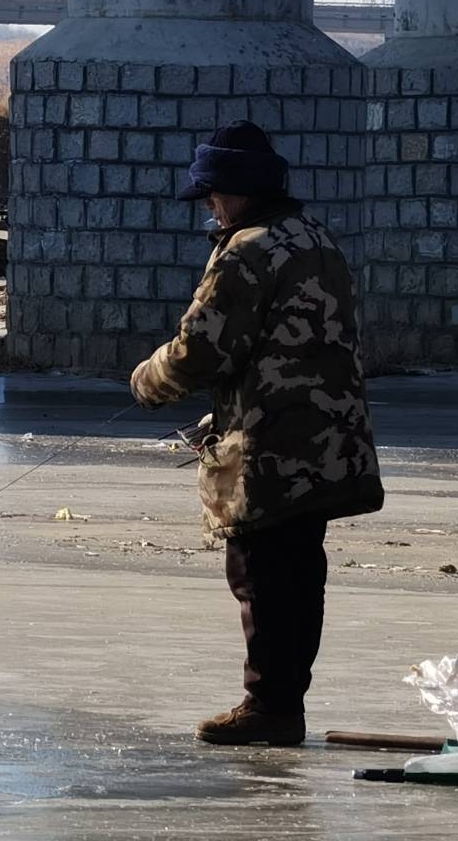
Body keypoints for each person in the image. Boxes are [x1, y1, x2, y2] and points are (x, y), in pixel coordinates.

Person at [129, 121, 383, 746]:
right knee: (301, 574)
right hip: (328, 441)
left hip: (272, 450)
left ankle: (268, 708)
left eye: (212, 196)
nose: (210, 208)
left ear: (236, 192)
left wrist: (146, 379)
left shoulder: (249, 250)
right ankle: (282, 703)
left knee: (262, 577)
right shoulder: (316, 239)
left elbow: (200, 350)